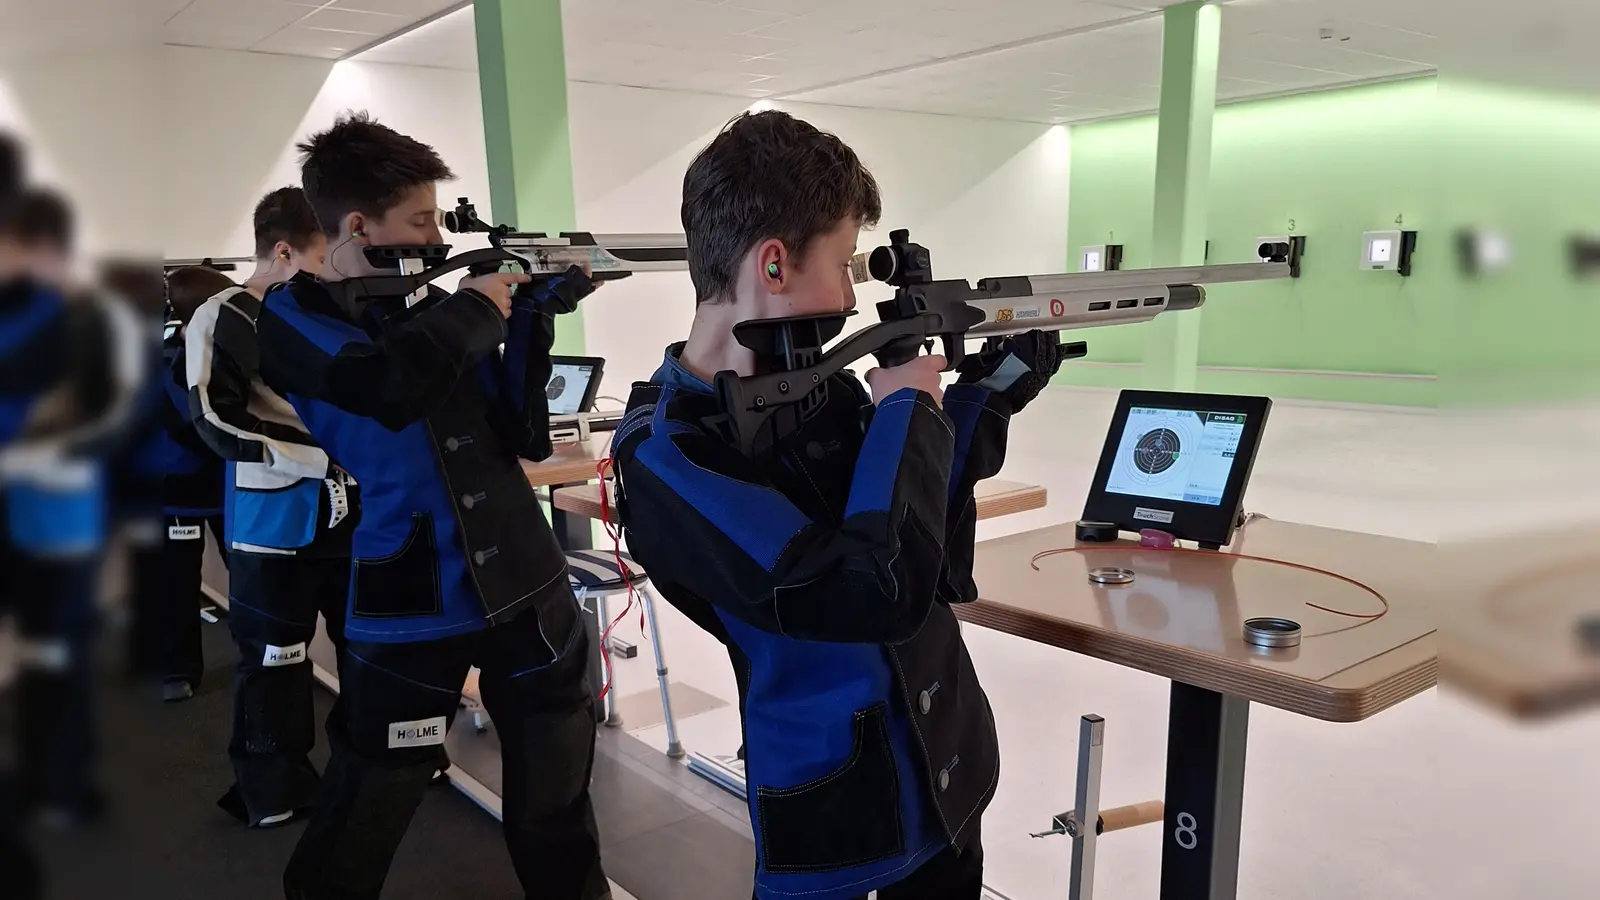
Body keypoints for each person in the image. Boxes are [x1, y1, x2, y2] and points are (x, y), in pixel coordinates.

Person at [609, 110, 1065, 900]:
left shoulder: (813, 387)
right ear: (774, 264)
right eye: (846, 261)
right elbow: (864, 591)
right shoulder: (665, 453)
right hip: (835, 807)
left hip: (945, 766)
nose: (854, 292)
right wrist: (906, 408)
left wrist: (984, 399)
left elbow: (911, 534)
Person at [256, 113, 608, 900]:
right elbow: (383, 384)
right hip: (410, 596)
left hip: (527, 582)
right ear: (358, 226)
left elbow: (522, 434)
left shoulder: (429, 308)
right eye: (420, 221)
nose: (437, 238)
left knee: (557, 805)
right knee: (369, 802)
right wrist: (480, 307)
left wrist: (533, 318)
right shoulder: (291, 319)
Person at [181, 187, 362, 827]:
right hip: (274, 521)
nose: (333, 271)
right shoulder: (222, 315)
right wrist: (319, 457)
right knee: (274, 656)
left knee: (366, 648)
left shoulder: (338, 311)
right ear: (283, 252)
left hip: (357, 514)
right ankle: (273, 786)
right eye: (321, 257)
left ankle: (375, 767)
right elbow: (213, 418)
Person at [1, 185, 152, 828]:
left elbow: (115, 420)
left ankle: (62, 785)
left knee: (58, 652)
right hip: (26, 510)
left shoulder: (91, 319)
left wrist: (34, 453)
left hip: (61, 514)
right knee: (40, 655)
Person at [139, 265, 235, 701]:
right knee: (175, 586)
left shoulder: (221, 353)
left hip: (222, 487)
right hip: (183, 489)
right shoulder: (165, 359)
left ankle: (262, 659)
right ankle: (176, 669)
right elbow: (194, 424)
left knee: (252, 583)